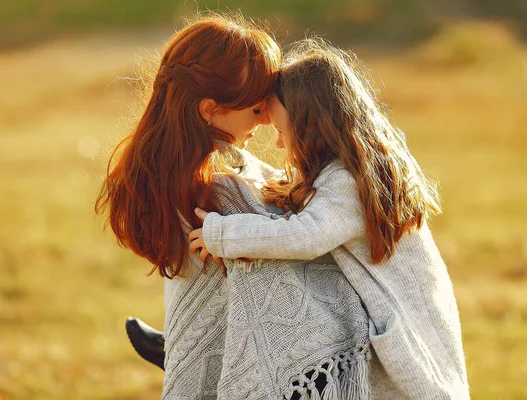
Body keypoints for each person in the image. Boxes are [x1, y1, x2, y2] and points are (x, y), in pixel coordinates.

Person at [96, 14, 381, 400]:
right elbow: (303, 244)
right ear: (210, 109)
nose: (265, 120)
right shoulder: (220, 189)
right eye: (255, 109)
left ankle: (178, 350)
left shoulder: (164, 165)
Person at [189, 39, 470, 399]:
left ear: (311, 126)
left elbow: (305, 236)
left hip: (407, 333)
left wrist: (223, 235)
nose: (277, 145)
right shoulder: (352, 168)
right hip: (400, 318)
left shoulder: (348, 181)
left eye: (280, 131)